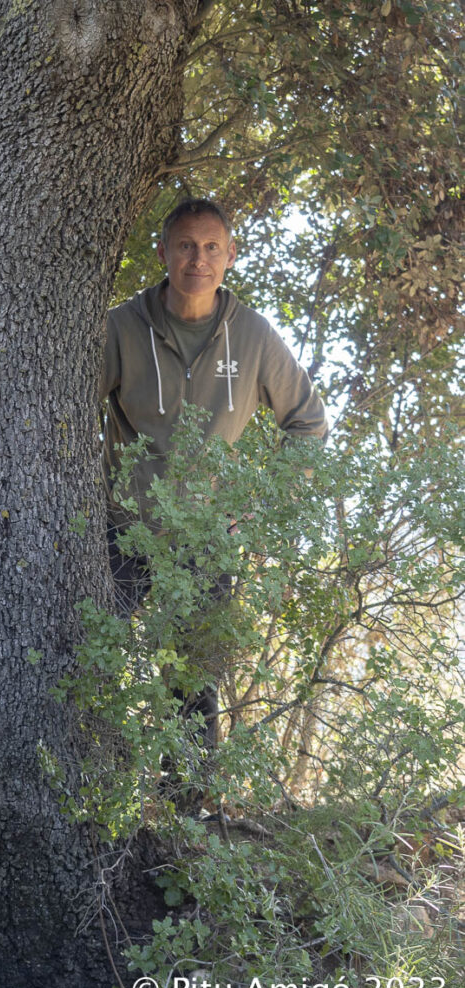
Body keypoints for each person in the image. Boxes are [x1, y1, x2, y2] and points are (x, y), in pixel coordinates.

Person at [100, 197, 328, 781]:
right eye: (184, 245)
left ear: (230, 255)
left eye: (209, 247)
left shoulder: (252, 334)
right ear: (163, 253)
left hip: (207, 541)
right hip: (121, 532)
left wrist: (252, 508)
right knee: (87, 661)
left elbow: (307, 422)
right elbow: (60, 411)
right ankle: (84, 795)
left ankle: (188, 815)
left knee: (192, 685)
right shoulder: (122, 326)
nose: (196, 259)